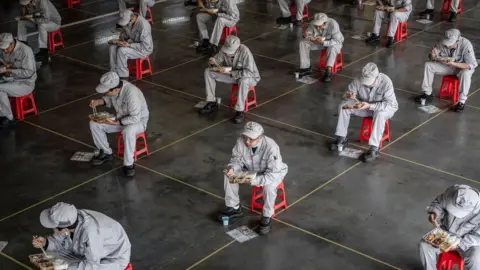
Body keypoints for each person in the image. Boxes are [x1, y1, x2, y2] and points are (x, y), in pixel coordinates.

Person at [219, 122, 288, 235]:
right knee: (229, 176)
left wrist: (253, 180)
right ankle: (234, 207)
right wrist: (232, 168)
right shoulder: (240, 142)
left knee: (269, 187)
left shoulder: (271, 147)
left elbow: (272, 175)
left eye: (251, 139)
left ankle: (267, 216)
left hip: (273, 173)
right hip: (252, 170)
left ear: (260, 138)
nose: (247, 141)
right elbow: (236, 159)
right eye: (245, 137)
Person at [330, 62, 398, 162]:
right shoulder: (358, 79)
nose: (366, 83)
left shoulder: (386, 82)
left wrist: (370, 105)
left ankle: (374, 149)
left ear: (377, 77)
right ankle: (341, 138)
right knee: (344, 106)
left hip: (384, 108)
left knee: (379, 114)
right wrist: (348, 95)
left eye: (369, 81)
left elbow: (389, 104)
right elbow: (345, 96)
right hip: (365, 106)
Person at [32, 202, 131, 269]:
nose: (53, 229)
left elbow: (92, 265)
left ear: (65, 228)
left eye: (54, 227)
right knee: (54, 260)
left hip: (109, 259)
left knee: (61, 266)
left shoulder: (91, 234)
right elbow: (60, 239)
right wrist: (45, 243)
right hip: (89, 253)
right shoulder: (71, 217)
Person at [89, 72, 149, 177]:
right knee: (94, 123)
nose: (105, 93)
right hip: (121, 118)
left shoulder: (132, 94)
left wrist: (115, 122)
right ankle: (106, 152)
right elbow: (109, 98)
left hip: (138, 121)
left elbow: (135, 117)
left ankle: (128, 164)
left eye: (106, 91)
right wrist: (98, 102)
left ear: (115, 90)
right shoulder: (116, 88)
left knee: (128, 131)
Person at [199, 35, 260, 124]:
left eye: (230, 52)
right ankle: (211, 102)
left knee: (244, 80)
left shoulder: (245, 51)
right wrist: (212, 62)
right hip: (232, 74)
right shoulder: (224, 49)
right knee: (208, 71)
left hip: (249, 77)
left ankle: (239, 111)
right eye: (227, 51)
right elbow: (217, 61)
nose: (228, 53)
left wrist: (231, 73)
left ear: (238, 48)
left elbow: (249, 72)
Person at [415, 29, 476, 113]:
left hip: (462, 67)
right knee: (428, 65)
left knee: (465, 73)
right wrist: (432, 55)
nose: (447, 46)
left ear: (458, 40)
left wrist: (454, 64)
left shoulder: (466, 44)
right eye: (446, 43)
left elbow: (471, 65)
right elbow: (433, 57)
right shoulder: (441, 41)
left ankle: (461, 102)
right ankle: (427, 93)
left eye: (450, 44)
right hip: (449, 66)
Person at [419, 184, 480, 270]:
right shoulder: (453, 192)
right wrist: (435, 213)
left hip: (469, 241)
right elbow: (438, 203)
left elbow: (478, 236)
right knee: (424, 246)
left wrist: (460, 243)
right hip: (446, 233)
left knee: (476, 259)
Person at [0, 33, 37, 127]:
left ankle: (8, 118)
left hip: (25, 83)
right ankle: (2, 112)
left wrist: (10, 70)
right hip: (11, 78)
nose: (4, 50)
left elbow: (29, 73)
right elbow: (8, 63)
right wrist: (6, 66)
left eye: (6, 48)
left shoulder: (25, 51)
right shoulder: (5, 50)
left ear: (12, 43)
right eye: (2, 48)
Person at [297, 13, 344, 83]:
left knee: (332, 48)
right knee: (303, 43)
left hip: (333, 43)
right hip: (319, 42)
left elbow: (337, 40)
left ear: (325, 23)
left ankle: (328, 71)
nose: (317, 28)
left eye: (319, 26)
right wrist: (307, 35)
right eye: (316, 26)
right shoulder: (313, 23)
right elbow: (308, 32)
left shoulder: (333, 24)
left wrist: (324, 42)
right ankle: (305, 68)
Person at [109, 10, 153, 80]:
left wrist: (129, 45)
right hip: (132, 43)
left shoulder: (143, 26)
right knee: (112, 47)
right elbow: (127, 37)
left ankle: (123, 75)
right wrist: (118, 41)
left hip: (143, 49)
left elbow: (145, 46)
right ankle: (113, 72)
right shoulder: (129, 22)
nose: (126, 25)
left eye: (126, 23)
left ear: (132, 18)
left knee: (122, 50)